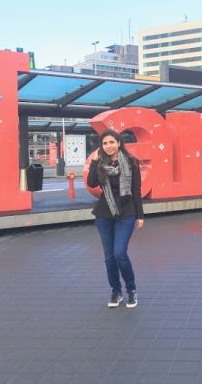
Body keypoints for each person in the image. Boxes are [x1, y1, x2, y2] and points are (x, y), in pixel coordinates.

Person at [87, 129, 144, 308]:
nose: (108, 146)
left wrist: (140, 215)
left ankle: (131, 290)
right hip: (104, 214)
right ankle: (116, 291)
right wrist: (95, 162)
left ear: (119, 143)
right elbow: (91, 182)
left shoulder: (131, 163)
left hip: (126, 213)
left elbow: (136, 190)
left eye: (111, 142)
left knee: (120, 253)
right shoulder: (101, 163)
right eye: (105, 143)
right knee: (109, 257)